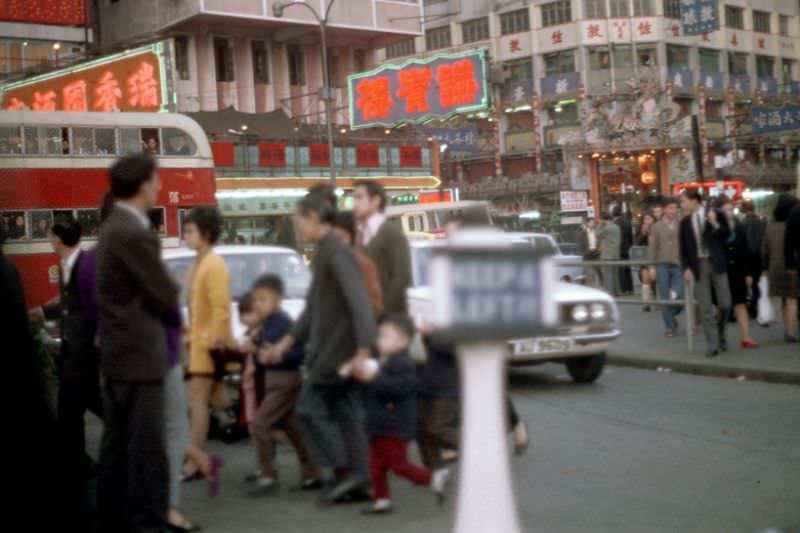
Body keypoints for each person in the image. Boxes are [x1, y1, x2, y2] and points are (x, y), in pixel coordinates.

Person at [266, 190, 377, 503]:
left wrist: (364, 348)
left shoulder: (336, 253)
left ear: (313, 218)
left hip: (336, 351)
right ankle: (361, 478)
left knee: (308, 408)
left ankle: (346, 470)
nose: (297, 227)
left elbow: (360, 303)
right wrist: (285, 343)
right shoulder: (326, 252)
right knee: (347, 413)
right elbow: (314, 308)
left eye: (298, 221)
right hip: (336, 349)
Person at [95, 153, 179, 532]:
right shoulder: (133, 230)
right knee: (147, 446)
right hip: (139, 352)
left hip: (118, 351)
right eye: (156, 180)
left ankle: (113, 514)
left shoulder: (111, 227)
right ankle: (148, 520)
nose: (158, 186)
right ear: (145, 184)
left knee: (118, 442)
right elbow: (163, 291)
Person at [40, 216, 103, 529]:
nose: (49, 240)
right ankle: (81, 462)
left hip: (85, 351)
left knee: (71, 409)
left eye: (50, 235)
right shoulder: (66, 264)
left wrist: (98, 339)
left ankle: (79, 465)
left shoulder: (86, 264)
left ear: (59, 238)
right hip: (73, 349)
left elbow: (96, 304)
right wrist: (42, 313)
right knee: (88, 403)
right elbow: (67, 304)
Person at [354, 314, 450, 514]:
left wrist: (373, 378)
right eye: (380, 335)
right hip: (380, 424)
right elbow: (375, 390)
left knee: (398, 465)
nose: (379, 340)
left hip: (394, 426)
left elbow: (397, 389)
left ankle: (432, 479)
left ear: (404, 341)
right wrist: (365, 378)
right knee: (376, 464)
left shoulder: (403, 364)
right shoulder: (386, 362)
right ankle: (381, 499)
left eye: (385, 336)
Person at [248, 274, 320, 497]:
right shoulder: (268, 323)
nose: (259, 305)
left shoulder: (283, 322)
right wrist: (257, 349)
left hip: (285, 381)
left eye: (264, 300)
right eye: (256, 300)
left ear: (278, 299)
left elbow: (298, 352)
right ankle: (312, 474)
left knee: (259, 425)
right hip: (275, 380)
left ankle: (268, 474)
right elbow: (263, 351)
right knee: (294, 428)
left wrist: (278, 355)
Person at [182, 205, 231, 484]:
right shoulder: (199, 264)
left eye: (190, 231)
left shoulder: (213, 264)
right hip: (197, 344)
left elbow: (221, 309)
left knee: (196, 401)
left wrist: (211, 340)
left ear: (206, 233)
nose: (186, 236)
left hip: (206, 347)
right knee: (212, 401)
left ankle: (195, 461)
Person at [679, 191, 731, 357]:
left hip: (717, 262)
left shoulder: (715, 213)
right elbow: (683, 248)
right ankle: (712, 344)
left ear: (694, 201)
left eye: (684, 201)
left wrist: (714, 223)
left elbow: (728, 235)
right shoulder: (685, 222)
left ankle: (721, 331)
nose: (682, 205)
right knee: (705, 307)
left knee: (725, 303)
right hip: (698, 265)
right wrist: (686, 267)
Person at [353, 180, 411, 314]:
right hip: (365, 316)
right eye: (354, 198)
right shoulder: (358, 234)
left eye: (359, 197)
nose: (355, 203)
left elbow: (402, 277)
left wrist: (383, 311)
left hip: (389, 317)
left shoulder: (391, 232)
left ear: (376, 201)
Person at [721, 198, 759, 349]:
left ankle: (746, 338)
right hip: (722, 271)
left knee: (740, 303)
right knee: (722, 306)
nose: (728, 213)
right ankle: (720, 336)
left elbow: (746, 250)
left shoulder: (739, 226)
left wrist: (748, 273)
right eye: (725, 210)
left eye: (730, 209)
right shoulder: (715, 228)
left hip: (738, 270)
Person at [332, 210, 384, 317]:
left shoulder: (363, 265)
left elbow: (375, 306)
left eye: (340, 238)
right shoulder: (324, 263)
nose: (336, 244)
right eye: (331, 239)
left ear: (351, 237)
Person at [763, 194, 799, 343]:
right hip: (791, 266)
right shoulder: (794, 224)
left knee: (785, 299)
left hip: (775, 267)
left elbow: (764, 250)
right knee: (791, 299)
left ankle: (787, 329)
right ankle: (790, 333)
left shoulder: (770, 226)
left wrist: (765, 268)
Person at [648, 200, 684, 336]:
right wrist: (651, 266)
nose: (673, 211)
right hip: (661, 264)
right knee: (664, 297)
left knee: (679, 295)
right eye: (670, 208)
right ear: (664, 209)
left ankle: (672, 313)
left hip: (677, 265)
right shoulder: (656, 226)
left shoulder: (681, 225)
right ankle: (670, 327)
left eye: (675, 208)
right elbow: (652, 248)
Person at [740, 201, 766, 318]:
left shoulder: (742, 224)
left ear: (744, 210)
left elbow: (744, 243)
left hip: (746, 257)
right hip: (759, 258)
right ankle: (757, 308)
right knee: (756, 284)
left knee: (745, 284)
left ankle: (748, 307)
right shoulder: (761, 223)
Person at [785, 202, 800, 342]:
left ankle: (790, 332)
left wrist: (789, 264)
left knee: (792, 298)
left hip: (795, 261)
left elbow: (788, 240)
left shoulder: (794, 212)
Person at [597, 212, 621, 296]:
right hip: (616, 253)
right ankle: (617, 291)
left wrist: (600, 225)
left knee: (608, 274)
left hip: (607, 254)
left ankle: (610, 291)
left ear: (604, 219)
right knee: (615, 273)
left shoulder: (606, 228)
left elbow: (597, 234)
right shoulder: (617, 227)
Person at [638, 211, 657, 312]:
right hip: (646, 258)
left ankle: (660, 301)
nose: (647, 221)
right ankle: (646, 303)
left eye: (649, 218)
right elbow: (637, 244)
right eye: (645, 219)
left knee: (658, 280)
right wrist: (644, 233)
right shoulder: (641, 231)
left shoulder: (659, 229)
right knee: (646, 278)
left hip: (658, 258)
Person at [615, 208, 634, 295]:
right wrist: (630, 244)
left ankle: (624, 288)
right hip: (626, 247)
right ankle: (630, 288)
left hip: (618, 248)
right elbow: (630, 236)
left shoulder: (615, 224)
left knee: (621, 270)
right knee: (627, 268)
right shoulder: (627, 222)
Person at [578, 218, 601, 286]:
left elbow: (599, 241)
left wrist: (598, 249)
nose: (593, 224)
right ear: (587, 223)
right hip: (587, 254)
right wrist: (584, 252)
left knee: (599, 270)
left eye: (593, 223)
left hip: (596, 253)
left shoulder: (597, 232)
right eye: (591, 222)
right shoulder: (582, 233)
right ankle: (585, 285)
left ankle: (601, 284)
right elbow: (581, 244)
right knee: (586, 271)